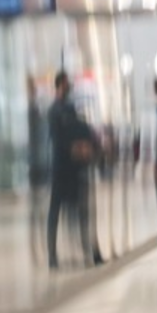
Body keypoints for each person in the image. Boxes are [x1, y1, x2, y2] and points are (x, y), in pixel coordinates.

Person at [47, 71, 101, 269]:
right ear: (60, 84)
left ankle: (90, 252)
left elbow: (79, 129)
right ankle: (52, 255)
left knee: (81, 214)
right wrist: (76, 147)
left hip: (72, 169)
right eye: (66, 83)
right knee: (56, 213)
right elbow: (60, 139)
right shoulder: (54, 111)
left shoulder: (68, 109)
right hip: (61, 169)